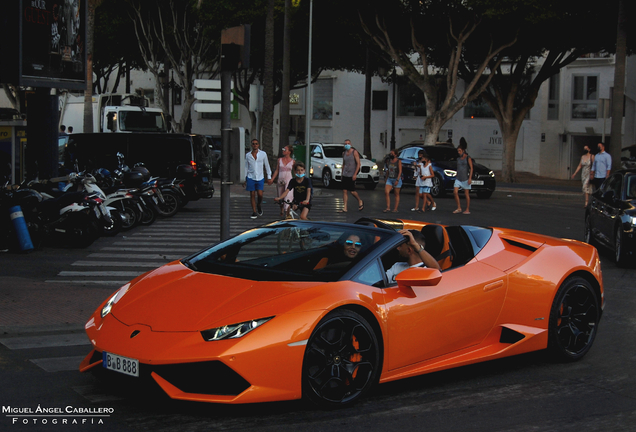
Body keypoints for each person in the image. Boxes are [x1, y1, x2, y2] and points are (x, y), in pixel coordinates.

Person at [245, 139, 272, 219]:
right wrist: (244, 177)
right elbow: (246, 166)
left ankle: (259, 204)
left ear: (258, 145)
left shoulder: (263, 154)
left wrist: (269, 176)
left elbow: (267, 165)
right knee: (252, 194)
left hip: (260, 177)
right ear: (251, 145)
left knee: (260, 194)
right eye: (253, 144)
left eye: (256, 144)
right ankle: (254, 211)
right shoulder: (248, 155)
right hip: (251, 176)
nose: (255, 145)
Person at [338, 139, 364, 213]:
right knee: (344, 191)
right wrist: (342, 173)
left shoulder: (354, 152)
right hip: (345, 173)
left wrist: (355, 174)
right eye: (345, 144)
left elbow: (358, 164)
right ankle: (345, 207)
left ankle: (359, 200)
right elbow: (344, 164)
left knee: (352, 191)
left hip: (352, 173)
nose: (347, 145)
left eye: (348, 143)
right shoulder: (344, 153)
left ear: (351, 144)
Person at [271, 145, 295, 217]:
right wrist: (272, 179)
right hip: (281, 178)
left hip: (288, 179)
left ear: (289, 152)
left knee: (288, 195)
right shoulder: (279, 160)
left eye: (285, 149)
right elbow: (277, 170)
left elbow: (295, 171)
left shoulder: (293, 162)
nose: (283, 150)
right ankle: (281, 209)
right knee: (280, 194)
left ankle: (287, 211)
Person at [453, 137, 473, 215]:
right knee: (455, 192)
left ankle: (467, 209)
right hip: (458, 178)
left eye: (460, 151)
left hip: (465, 178)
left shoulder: (468, 158)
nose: (458, 152)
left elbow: (471, 168)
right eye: (458, 151)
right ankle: (459, 207)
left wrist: (470, 178)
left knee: (466, 194)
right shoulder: (458, 159)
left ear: (463, 150)